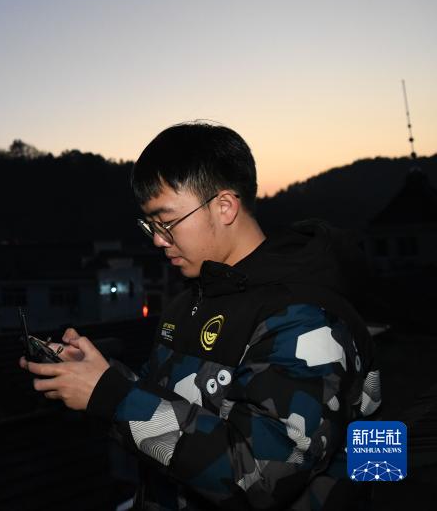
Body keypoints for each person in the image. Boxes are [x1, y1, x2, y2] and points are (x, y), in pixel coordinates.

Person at [21, 121, 381, 510]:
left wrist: (111, 396)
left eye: (166, 222)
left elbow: (262, 477)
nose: (158, 239)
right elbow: (173, 403)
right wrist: (97, 376)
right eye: (149, 225)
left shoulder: (307, 317)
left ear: (224, 206)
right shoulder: (189, 301)